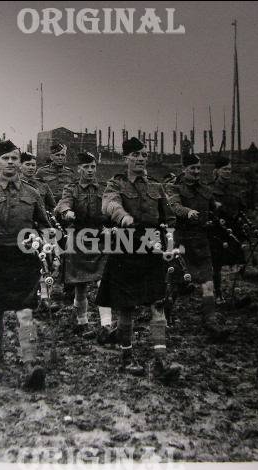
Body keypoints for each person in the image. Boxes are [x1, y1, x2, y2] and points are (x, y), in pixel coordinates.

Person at [96, 137, 182, 382]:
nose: (142, 158)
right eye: (136, 155)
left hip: (152, 249)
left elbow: (170, 217)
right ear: (127, 158)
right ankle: (127, 357)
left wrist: (170, 242)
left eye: (144, 154)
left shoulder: (156, 185)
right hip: (126, 248)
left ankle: (160, 361)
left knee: (158, 303)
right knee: (127, 307)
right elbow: (109, 205)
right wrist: (122, 217)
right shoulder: (116, 183)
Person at [0, 140, 51, 390]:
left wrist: (45, 242)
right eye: (5, 158)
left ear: (19, 162)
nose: (10, 163)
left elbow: (45, 224)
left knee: (25, 311)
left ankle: (30, 363)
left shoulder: (32, 193)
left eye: (14, 158)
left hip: (23, 258)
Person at [55, 151, 114, 341]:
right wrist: (67, 212)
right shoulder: (71, 189)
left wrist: (110, 225)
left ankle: (106, 325)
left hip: (100, 238)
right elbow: (63, 204)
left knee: (103, 282)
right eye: (86, 167)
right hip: (79, 237)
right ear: (78, 169)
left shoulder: (104, 188)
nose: (90, 170)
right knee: (80, 285)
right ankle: (82, 322)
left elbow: (113, 208)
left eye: (93, 167)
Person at [165, 153, 219, 329]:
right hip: (182, 241)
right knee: (176, 283)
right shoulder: (174, 188)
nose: (196, 171)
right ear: (184, 169)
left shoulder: (205, 189)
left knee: (207, 281)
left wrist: (215, 213)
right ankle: (166, 313)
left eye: (198, 168)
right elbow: (174, 206)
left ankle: (210, 320)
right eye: (192, 168)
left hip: (201, 241)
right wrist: (188, 212)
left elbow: (213, 209)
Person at [208, 157, 247, 304]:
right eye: (224, 169)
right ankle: (217, 294)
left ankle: (235, 292)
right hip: (217, 231)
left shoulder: (235, 189)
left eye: (229, 169)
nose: (227, 172)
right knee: (217, 264)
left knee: (236, 261)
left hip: (234, 230)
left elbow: (242, 208)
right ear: (217, 171)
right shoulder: (210, 189)